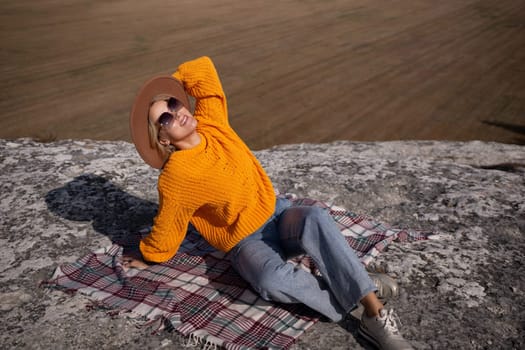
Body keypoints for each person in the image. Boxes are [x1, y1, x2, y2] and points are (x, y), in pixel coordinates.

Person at [126, 56, 414, 350]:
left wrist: (172, 83)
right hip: (246, 242)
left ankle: (373, 313)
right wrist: (149, 255)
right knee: (269, 279)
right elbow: (168, 224)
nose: (176, 114)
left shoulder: (214, 124)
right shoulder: (175, 176)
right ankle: (355, 287)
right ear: (162, 139)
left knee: (315, 217)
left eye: (175, 104)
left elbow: (204, 71)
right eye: (165, 118)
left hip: (277, 213)